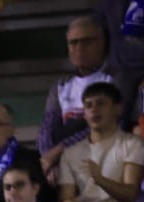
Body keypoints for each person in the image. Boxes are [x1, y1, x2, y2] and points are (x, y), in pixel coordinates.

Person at [54, 82, 144, 202]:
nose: (94, 110)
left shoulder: (133, 144)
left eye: (101, 103)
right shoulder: (71, 152)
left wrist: (100, 180)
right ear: (84, 114)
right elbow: (66, 197)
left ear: (118, 109)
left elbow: (131, 195)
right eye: (88, 105)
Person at [39, 16, 113, 172]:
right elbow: (46, 128)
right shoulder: (60, 86)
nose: (79, 47)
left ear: (102, 43)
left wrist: (59, 152)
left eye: (86, 41)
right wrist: (49, 163)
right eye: (74, 42)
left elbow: (104, 128)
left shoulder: (114, 80)